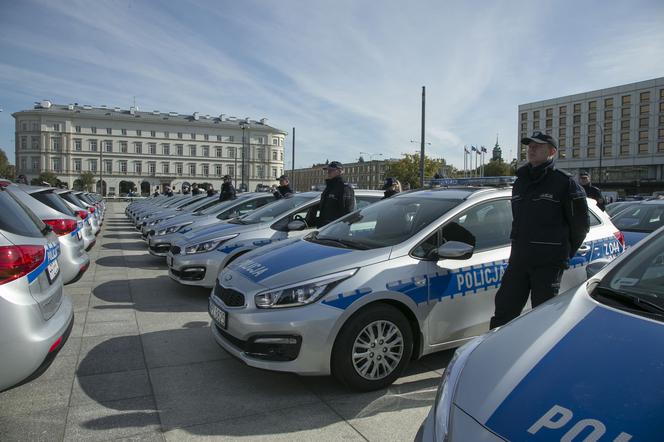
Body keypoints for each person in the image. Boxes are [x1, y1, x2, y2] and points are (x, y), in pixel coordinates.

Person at [489, 131, 590, 330]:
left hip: (547, 265)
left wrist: (560, 254)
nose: (531, 149)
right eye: (530, 146)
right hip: (519, 261)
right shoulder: (520, 182)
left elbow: (580, 227)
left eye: (538, 146)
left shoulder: (565, 183)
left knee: (542, 319)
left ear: (551, 152)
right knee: (503, 313)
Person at [308, 161, 355, 228]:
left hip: (335, 231)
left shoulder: (345, 188)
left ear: (340, 171)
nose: (328, 172)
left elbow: (348, 213)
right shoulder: (329, 187)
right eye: (328, 170)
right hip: (324, 228)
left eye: (331, 170)